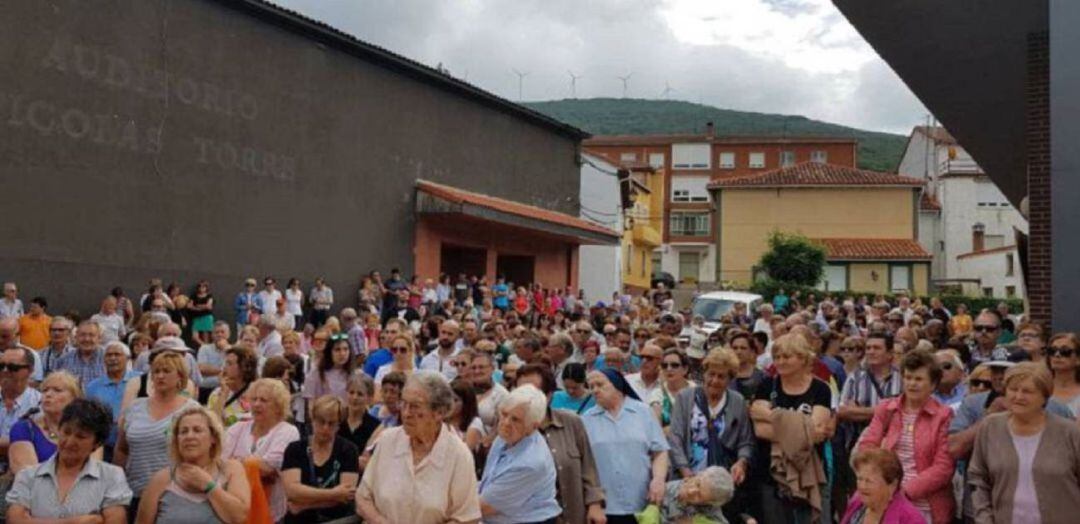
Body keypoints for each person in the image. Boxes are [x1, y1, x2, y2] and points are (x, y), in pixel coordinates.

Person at [356, 371, 481, 524]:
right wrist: (379, 521)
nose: (406, 413)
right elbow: (363, 497)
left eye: (415, 406)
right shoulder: (387, 440)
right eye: (404, 404)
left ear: (439, 412)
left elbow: (466, 518)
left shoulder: (458, 455)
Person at [968, 362, 1080, 523]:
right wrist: (985, 518)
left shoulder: (1070, 432)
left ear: (1044, 396)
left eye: (1027, 391)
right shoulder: (990, 426)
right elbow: (978, 478)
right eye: (1013, 389)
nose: (1018, 397)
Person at [857, 350, 955, 523]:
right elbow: (867, 447)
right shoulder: (886, 408)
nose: (912, 384)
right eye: (908, 377)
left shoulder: (944, 415)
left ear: (932, 384)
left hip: (926, 506)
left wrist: (904, 491)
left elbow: (944, 467)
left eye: (918, 379)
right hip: (884, 497)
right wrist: (881, 484)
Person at [749, 334, 833, 524]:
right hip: (771, 473)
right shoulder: (767, 385)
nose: (780, 362)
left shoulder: (821, 389)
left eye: (786, 357)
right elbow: (760, 431)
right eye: (777, 357)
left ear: (803, 358)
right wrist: (800, 427)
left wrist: (772, 417)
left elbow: (816, 433)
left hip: (808, 472)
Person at [6, 399, 131, 524]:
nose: (70, 442)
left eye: (80, 436)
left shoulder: (112, 476)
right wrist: (75, 522)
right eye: (66, 432)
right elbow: (15, 520)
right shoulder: (28, 475)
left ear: (97, 444)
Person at [668, 347, 755, 523]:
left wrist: (742, 462)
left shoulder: (737, 401)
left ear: (730, 379)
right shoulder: (685, 397)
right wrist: (686, 473)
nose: (714, 380)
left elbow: (745, 441)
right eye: (711, 374)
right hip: (688, 480)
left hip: (719, 484)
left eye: (721, 376)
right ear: (704, 374)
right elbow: (675, 438)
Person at [515, 363, 606, 524]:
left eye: (532, 393)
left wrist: (595, 504)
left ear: (549, 395)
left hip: (572, 515)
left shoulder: (572, 422)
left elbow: (588, 467)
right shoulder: (510, 431)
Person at [582, 368, 669, 523]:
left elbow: (660, 451)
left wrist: (658, 479)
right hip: (605, 506)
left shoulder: (643, 412)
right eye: (591, 386)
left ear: (617, 385)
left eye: (600, 384)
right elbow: (584, 465)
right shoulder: (586, 419)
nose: (595, 390)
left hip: (642, 501)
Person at [136, 406, 250, 524]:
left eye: (197, 430)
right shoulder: (161, 479)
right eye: (183, 431)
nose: (189, 436)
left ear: (213, 438)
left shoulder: (230, 469)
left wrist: (208, 485)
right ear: (177, 440)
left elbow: (239, 518)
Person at [114, 352, 201, 506]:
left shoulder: (191, 411)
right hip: (135, 494)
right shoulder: (135, 407)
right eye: (156, 372)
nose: (160, 376)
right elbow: (121, 450)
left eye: (166, 371)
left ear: (180, 377)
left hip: (176, 495)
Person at [478, 384, 561, 524]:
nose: (505, 423)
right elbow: (488, 481)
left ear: (533, 426)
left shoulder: (531, 462)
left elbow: (484, 507)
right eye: (504, 414)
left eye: (515, 420)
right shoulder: (505, 437)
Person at [222, 378, 301, 524]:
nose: (257, 404)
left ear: (278, 406)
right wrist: (253, 466)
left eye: (264, 400)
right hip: (235, 511)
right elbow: (220, 463)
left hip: (270, 514)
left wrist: (236, 463)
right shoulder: (237, 428)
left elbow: (269, 467)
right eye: (254, 399)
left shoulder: (288, 431)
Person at [282, 395, 359, 524]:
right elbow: (292, 491)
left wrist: (304, 505)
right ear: (312, 420)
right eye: (321, 421)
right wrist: (334, 493)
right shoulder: (295, 449)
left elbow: (346, 495)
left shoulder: (349, 450)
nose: (325, 428)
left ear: (339, 425)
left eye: (331, 423)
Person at [8, 371, 82, 475]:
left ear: (74, 399)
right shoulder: (24, 429)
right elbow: (27, 476)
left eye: (57, 390)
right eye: (45, 390)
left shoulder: (88, 430)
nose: (48, 394)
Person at [840, 448, 926, 524]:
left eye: (869, 481)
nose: (862, 486)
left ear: (892, 486)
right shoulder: (857, 502)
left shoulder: (911, 519)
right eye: (859, 479)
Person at [85, 341, 138, 461]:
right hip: (105, 444)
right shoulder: (93, 386)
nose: (113, 358)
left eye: (117, 354)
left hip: (133, 443)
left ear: (127, 358)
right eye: (109, 355)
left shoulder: (140, 380)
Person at [0, 345, 42, 462]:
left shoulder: (41, 403)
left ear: (30, 371)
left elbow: (42, 441)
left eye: (13, 367)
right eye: (1, 366)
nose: (5, 371)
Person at [207, 346, 258, 427]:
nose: (224, 368)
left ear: (244, 367)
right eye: (225, 363)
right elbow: (212, 424)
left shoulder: (257, 392)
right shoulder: (216, 394)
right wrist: (223, 395)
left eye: (229, 363)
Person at [303, 335, 353, 412]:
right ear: (329, 352)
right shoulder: (316, 374)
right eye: (337, 350)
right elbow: (311, 405)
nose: (342, 353)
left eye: (346, 349)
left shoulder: (355, 374)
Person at [650, 348, 693, 429]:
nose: (669, 369)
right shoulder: (657, 393)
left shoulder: (697, 391)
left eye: (674, 365)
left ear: (685, 369)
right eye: (664, 366)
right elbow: (656, 428)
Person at [55, 320, 107, 386]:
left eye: (91, 335)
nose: (86, 339)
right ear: (76, 337)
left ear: (99, 338)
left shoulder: (109, 358)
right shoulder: (64, 360)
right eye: (82, 335)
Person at [339, 374, 380, 453]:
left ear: (369, 398)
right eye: (351, 392)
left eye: (360, 394)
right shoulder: (337, 420)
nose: (355, 397)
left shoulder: (375, 427)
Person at [469, 351, 507, 434]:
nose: (477, 371)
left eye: (481, 367)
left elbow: (503, 425)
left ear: (492, 369)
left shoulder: (501, 394)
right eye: (473, 368)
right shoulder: (465, 390)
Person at [197, 322, 231, 403]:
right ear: (212, 335)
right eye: (216, 332)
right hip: (206, 389)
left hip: (226, 390)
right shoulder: (204, 348)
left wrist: (226, 350)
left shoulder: (233, 350)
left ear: (228, 334)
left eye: (222, 332)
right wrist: (223, 371)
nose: (219, 335)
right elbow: (202, 369)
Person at [1047, 332, 1080, 416]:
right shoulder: (1038, 388)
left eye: (1065, 351)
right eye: (1052, 351)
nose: (1057, 355)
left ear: (1078, 359)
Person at [446, 378, 484, 453]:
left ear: (466, 403)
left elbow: (464, 452)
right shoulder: (442, 420)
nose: (450, 404)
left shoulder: (475, 424)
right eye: (448, 399)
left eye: (455, 400)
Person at [188, 281, 215, 347]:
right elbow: (189, 306)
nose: (201, 288)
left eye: (203, 286)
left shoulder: (209, 296)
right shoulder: (193, 296)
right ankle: (206, 347)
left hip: (206, 317)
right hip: (196, 317)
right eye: (200, 286)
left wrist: (197, 306)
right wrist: (201, 307)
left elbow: (208, 306)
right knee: (195, 337)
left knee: (206, 337)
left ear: (206, 288)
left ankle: (206, 351)